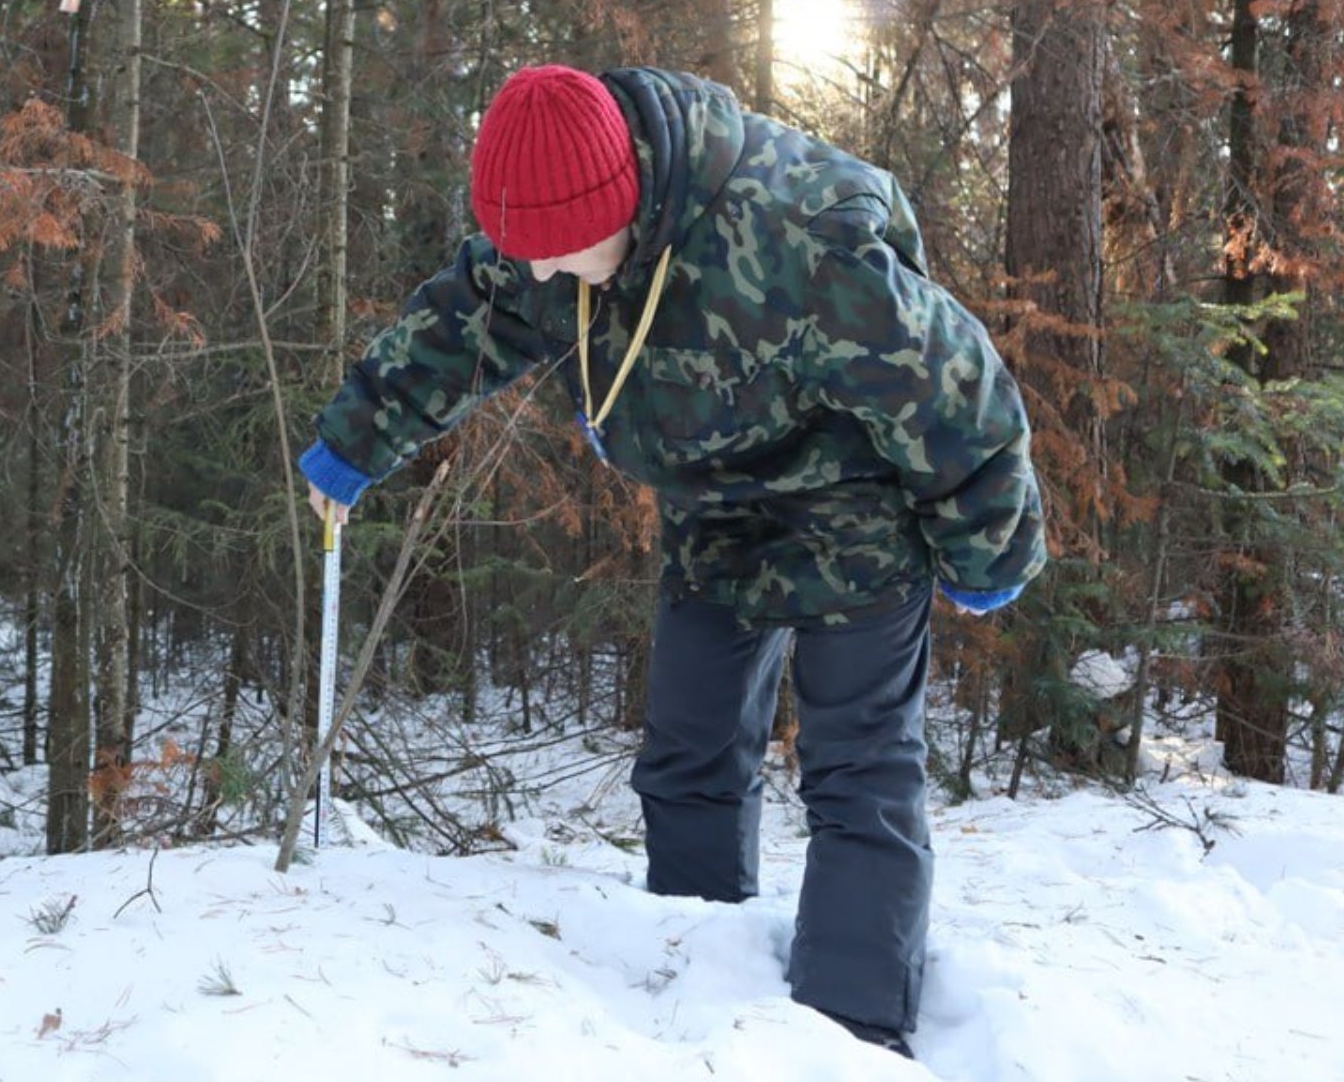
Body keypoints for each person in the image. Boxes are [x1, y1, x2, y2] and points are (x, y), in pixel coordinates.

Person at [297, 65, 1046, 1057]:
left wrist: (987, 544)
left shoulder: (803, 240)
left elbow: (956, 391)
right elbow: (458, 324)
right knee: (689, 752)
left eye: (567, 251)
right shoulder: (549, 236)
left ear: (625, 201)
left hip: (855, 510)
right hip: (714, 509)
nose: (550, 273)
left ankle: (849, 1038)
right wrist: (353, 442)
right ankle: (707, 983)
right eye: (533, 255)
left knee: (857, 777)